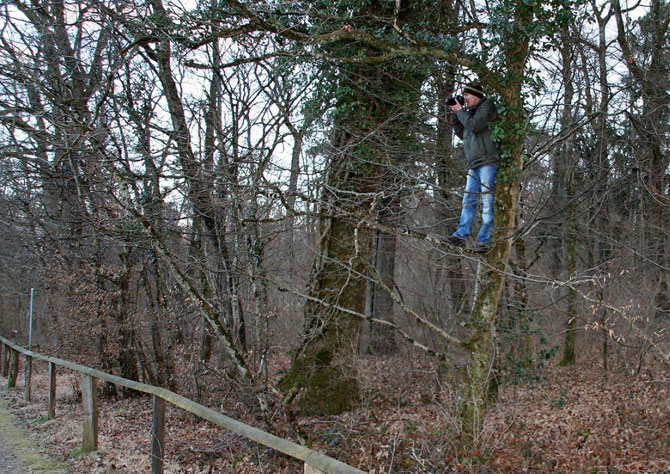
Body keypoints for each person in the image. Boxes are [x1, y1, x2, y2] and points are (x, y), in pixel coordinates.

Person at [445, 82, 499, 252]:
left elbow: (474, 126)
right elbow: (463, 133)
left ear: (476, 95)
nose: (465, 99)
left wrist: (461, 111)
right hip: (474, 164)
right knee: (468, 201)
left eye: (467, 95)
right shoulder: (469, 113)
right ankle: (461, 234)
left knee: (488, 201)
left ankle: (484, 240)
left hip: (488, 161)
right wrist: (455, 114)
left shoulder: (487, 107)